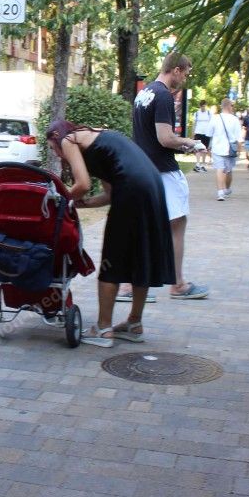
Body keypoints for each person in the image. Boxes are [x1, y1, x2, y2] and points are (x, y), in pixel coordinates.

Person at [46, 120, 176, 347]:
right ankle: (134, 324)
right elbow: (110, 195)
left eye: (52, 148)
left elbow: (83, 184)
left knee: (111, 260)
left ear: (57, 137)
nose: (57, 154)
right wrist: (83, 204)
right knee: (140, 257)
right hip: (151, 187)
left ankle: (103, 328)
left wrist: (58, 200)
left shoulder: (68, 139)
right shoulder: (97, 139)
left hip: (133, 190)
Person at [126, 52, 211, 300]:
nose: (185, 79)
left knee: (143, 227)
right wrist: (192, 143)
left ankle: (128, 285)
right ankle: (178, 284)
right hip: (163, 171)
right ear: (176, 70)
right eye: (185, 73)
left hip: (143, 169)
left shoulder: (145, 93)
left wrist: (181, 147)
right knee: (177, 224)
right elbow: (165, 138)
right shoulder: (163, 95)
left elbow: (149, 137)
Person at [205, 98, 242, 201]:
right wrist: (239, 149)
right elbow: (239, 137)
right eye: (232, 106)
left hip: (217, 148)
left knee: (219, 169)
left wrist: (209, 147)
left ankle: (220, 193)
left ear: (221, 106)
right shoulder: (234, 119)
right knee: (228, 170)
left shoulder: (215, 118)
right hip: (230, 149)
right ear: (229, 106)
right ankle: (226, 189)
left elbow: (208, 134)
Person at [191, 101, 212, 172]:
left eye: (204, 106)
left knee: (204, 149)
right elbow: (194, 124)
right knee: (198, 148)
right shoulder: (197, 113)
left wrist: (211, 133)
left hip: (206, 133)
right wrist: (193, 133)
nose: (203, 107)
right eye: (202, 106)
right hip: (198, 133)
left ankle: (203, 165)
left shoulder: (209, 113)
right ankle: (197, 164)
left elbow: (212, 124)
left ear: (206, 106)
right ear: (200, 106)